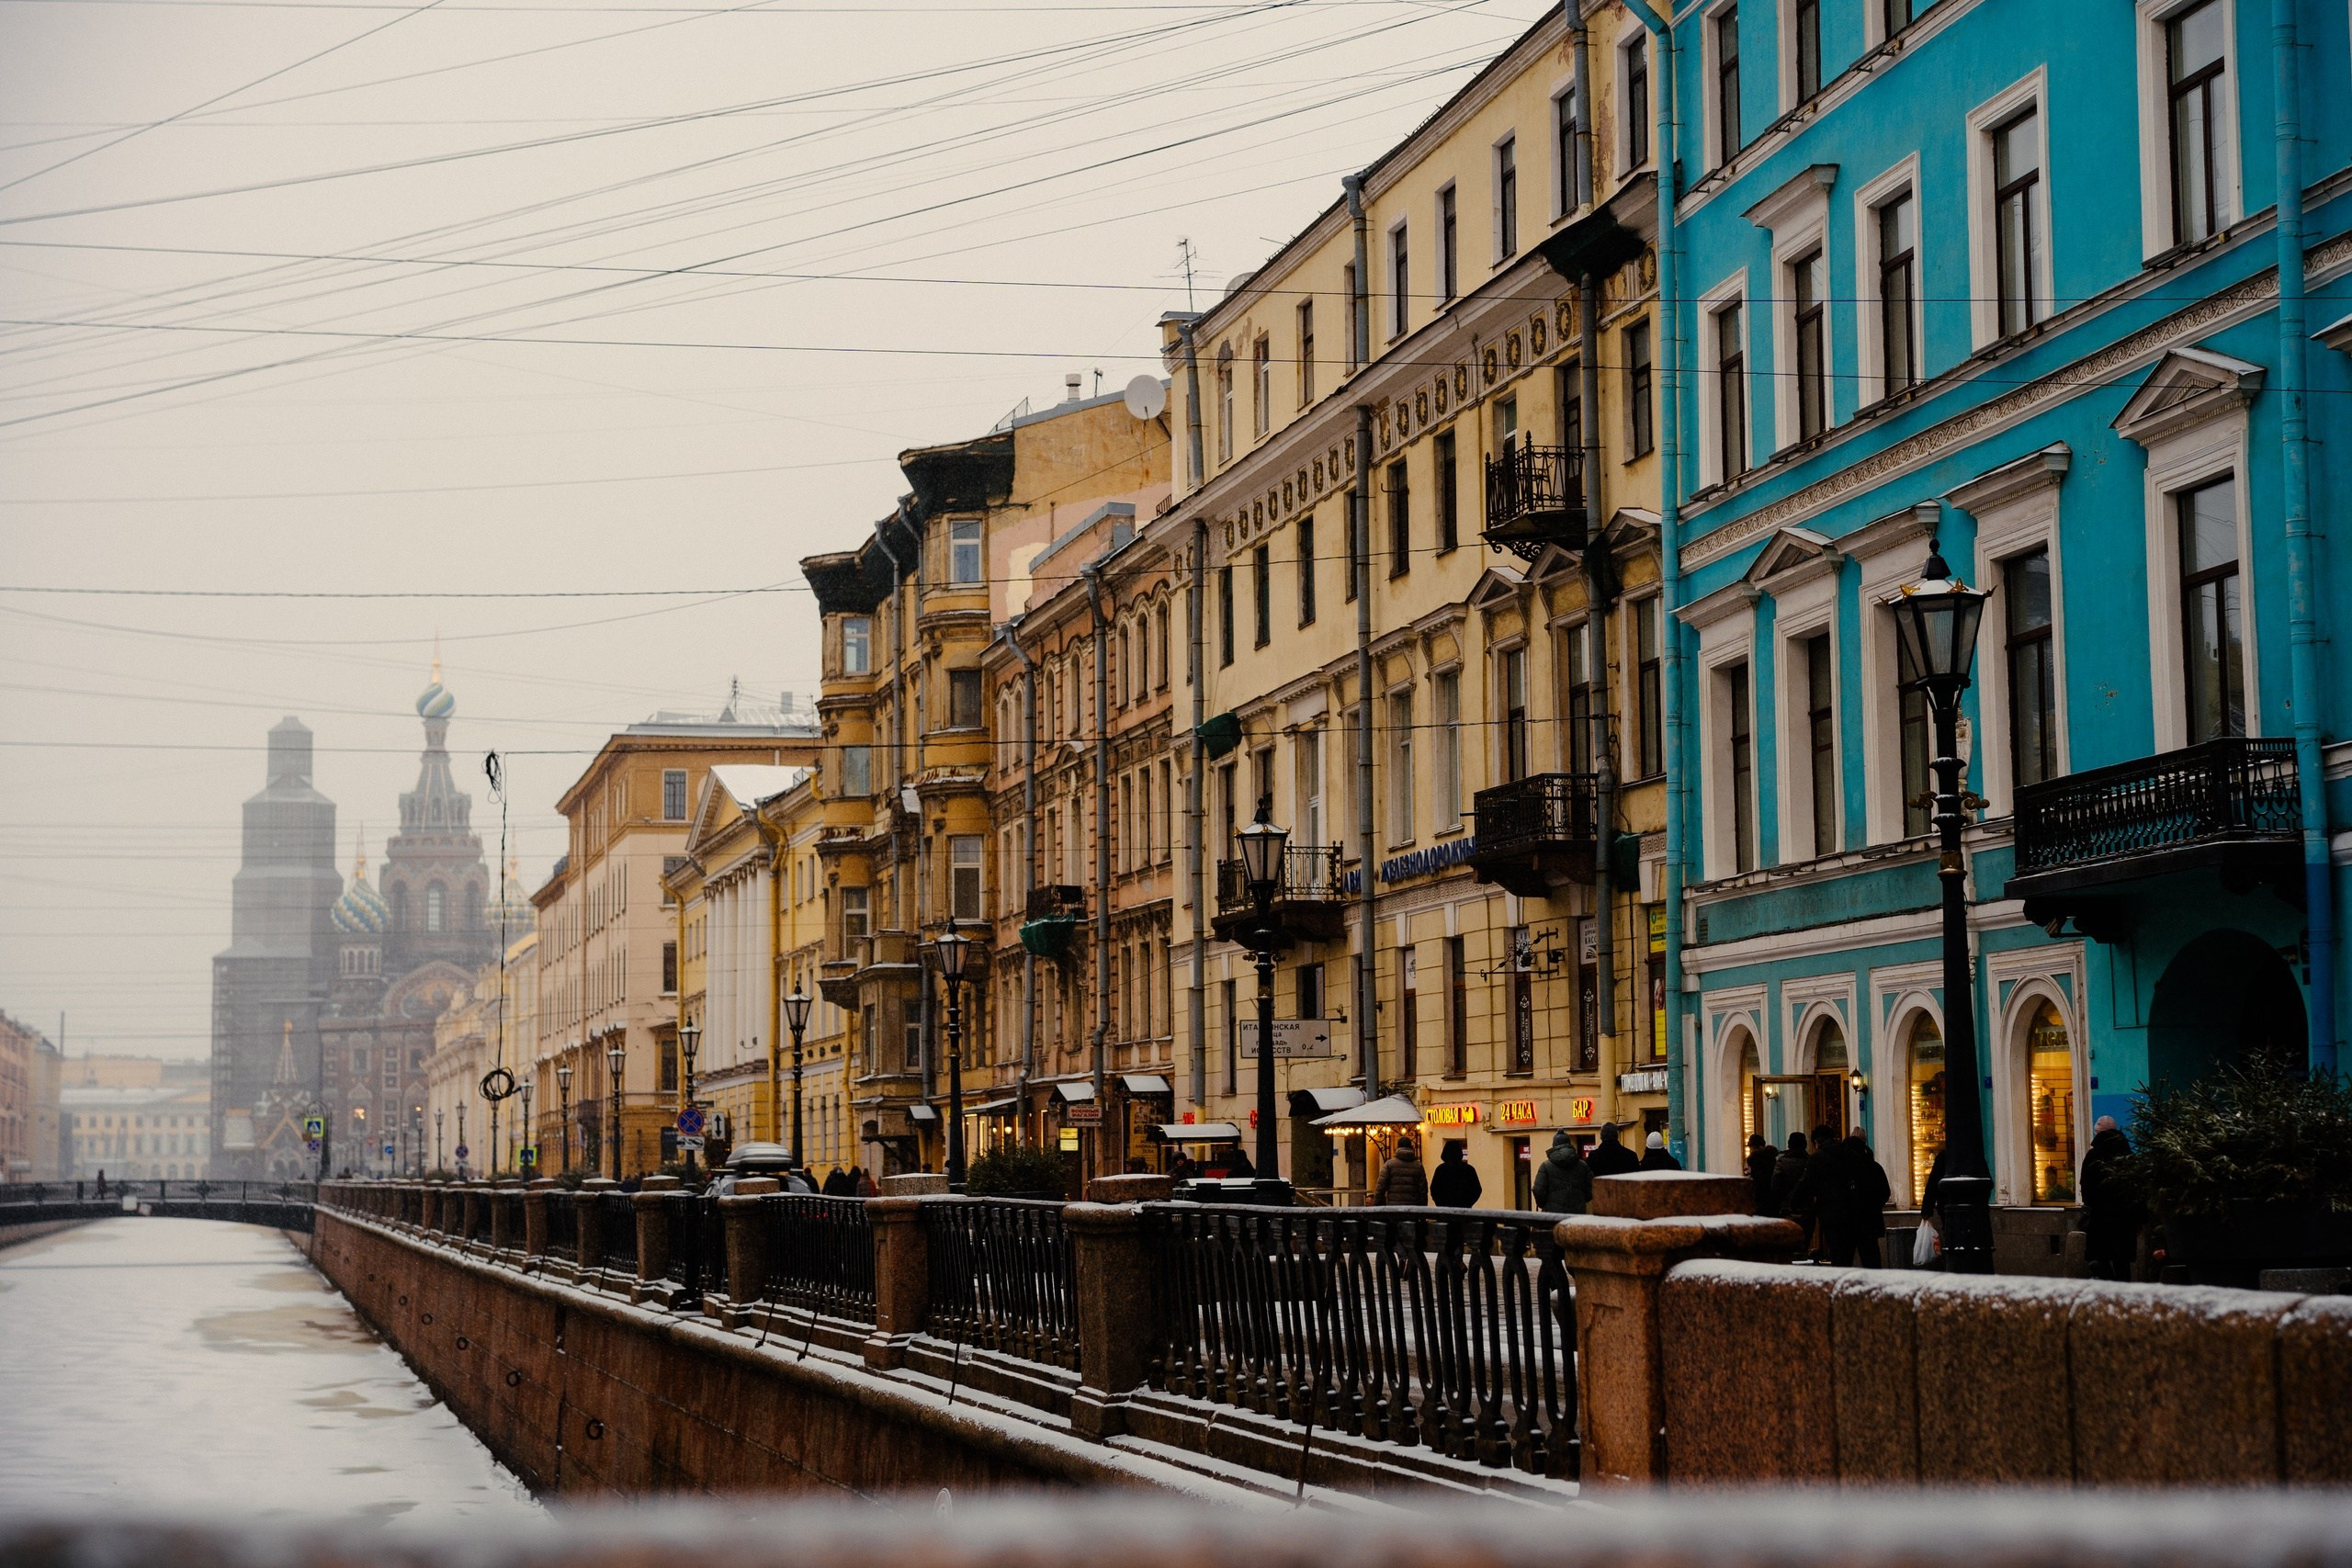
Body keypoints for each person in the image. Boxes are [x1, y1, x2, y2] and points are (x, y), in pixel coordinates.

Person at [2078, 1116, 2143, 1280]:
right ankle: (2124, 1294)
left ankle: (2109, 1290)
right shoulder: (2128, 1154)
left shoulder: (2094, 1155)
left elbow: (2086, 1185)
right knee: (2122, 1262)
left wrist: (2090, 1205)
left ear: (2097, 1132)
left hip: (2101, 1217)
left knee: (2099, 1257)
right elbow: (2137, 1187)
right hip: (2125, 1218)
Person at [1824, 1133, 1891, 1267]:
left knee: (1844, 1260)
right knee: (1871, 1259)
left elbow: (1834, 1193)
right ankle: (1874, 1285)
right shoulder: (1874, 1167)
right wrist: (1874, 1206)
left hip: (1846, 1223)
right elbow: (1885, 1192)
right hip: (1869, 1221)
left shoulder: (1841, 1168)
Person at [1532, 1130, 1594, 1215]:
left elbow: (1538, 1190)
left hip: (1553, 1215)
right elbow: (1592, 1186)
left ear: (1554, 1145)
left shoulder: (1546, 1166)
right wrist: (1581, 1199)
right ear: (1569, 1144)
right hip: (1577, 1215)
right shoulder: (1582, 1165)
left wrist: (1544, 1204)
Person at [1373, 1137, 1428, 1205]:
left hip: (1394, 1208)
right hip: (1413, 1208)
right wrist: (1423, 1208)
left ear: (1398, 1147)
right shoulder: (1418, 1166)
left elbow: (1380, 1188)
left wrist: (1376, 1205)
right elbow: (1423, 1190)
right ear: (1411, 1147)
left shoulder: (1389, 1164)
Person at [1429, 1139, 1481, 1207]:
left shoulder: (1441, 1169)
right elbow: (1477, 1189)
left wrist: (1440, 1204)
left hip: (1445, 1211)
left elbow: (1434, 1189)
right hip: (1464, 1211)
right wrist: (1468, 1204)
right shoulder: (1469, 1169)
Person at [1747, 1134, 1780, 1215]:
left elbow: (1757, 1182)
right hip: (1773, 1200)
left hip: (1760, 1200)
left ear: (1752, 1147)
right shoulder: (1772, 1158)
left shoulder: (1754, 1159)